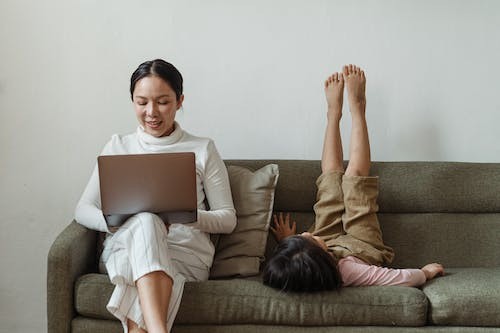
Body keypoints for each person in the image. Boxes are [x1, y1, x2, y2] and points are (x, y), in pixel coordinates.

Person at [75, 59, 237, 333]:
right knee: (146, 221)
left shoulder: (203, 149)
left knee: (148, 226)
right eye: (142, 102)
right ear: (133, 102)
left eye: (162, 102)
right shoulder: (118, 145)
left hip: (185, 255)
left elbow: (228, 219)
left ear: (180, 100)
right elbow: (82, 209)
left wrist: (184, 216)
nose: (151, 112)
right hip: (125, 249)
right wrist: (116, 223)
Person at [263, 64, 444, 292]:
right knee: (354, 178)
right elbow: (400, 278)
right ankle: (358, 108)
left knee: (330, 180)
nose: (305, 232)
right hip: (361, 247)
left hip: (325, 243)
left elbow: (292, 266)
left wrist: (287, 244)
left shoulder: (304, 263)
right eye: (306, 238)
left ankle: (333, 114)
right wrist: (425, 273)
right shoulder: (350, 272)